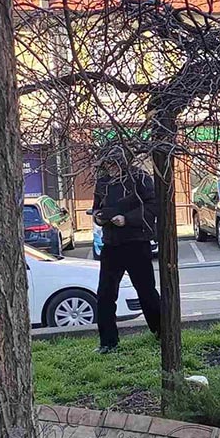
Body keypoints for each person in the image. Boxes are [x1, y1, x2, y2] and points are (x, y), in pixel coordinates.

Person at [93, 147, 161, 353]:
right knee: (105, 294)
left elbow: (152, 207)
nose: (109, 168)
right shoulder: (103, 182)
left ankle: (160, 331)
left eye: (113, 164)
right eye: (107, 164)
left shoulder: (140, 178)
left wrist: (127, 219)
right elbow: (97, 207)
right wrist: (98, 217)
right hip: (111, 244)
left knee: (146, 291)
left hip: (136, 242)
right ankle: (108, 342)